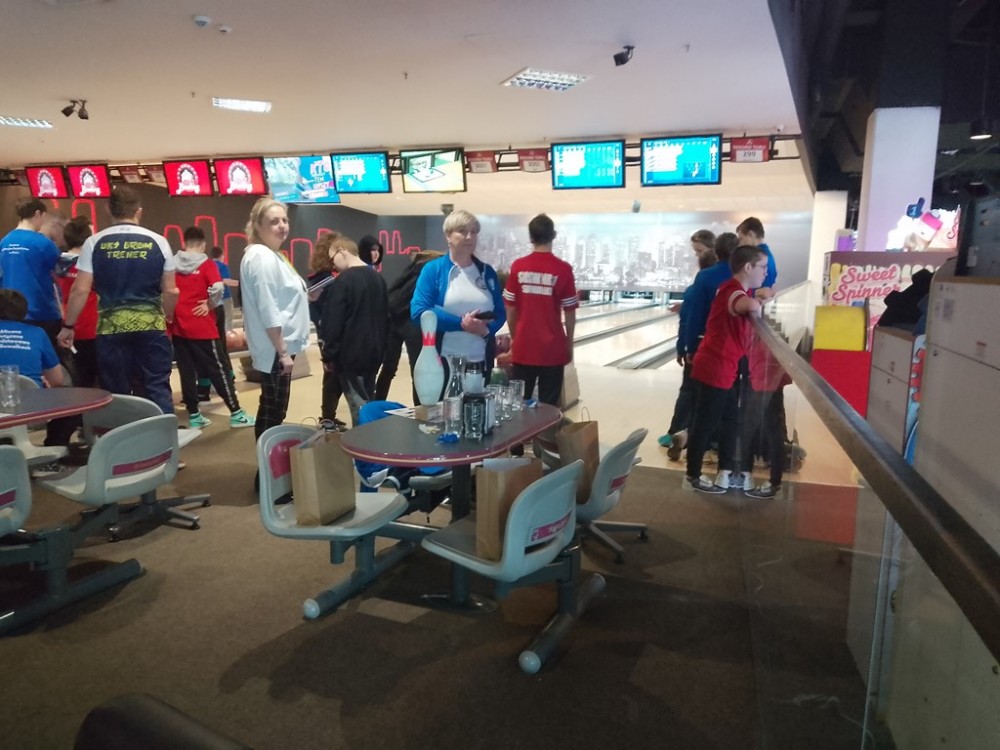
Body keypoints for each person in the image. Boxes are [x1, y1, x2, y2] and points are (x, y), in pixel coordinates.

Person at [58, 186, 179, 415]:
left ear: (108, 209)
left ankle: (122, 435)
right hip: (151, 327)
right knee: (156, 387)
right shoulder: (159, 241)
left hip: (110, 330)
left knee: (116, 391)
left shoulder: (94, 243)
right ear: (138, 211)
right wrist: (166, 314)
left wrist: (68, 326)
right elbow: (171, 291)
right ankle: (162, 435)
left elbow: (80, 291)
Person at [682, 245, 766, 495]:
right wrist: (759, 300)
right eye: (762, 267)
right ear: (748, 267)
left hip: (723, 366)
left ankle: (726, 470)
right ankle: (693, 475)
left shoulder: (733, 288)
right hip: (715, 367)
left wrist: (760, 297)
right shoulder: (733, 292)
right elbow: (746, 305)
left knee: (731, 418)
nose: (765, 272)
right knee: (705, 423)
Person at [239, 196, 309, 446]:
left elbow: (281, 296)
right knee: (273, 409)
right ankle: (267, 463)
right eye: (274, 221)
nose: (282, 226)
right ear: (258, 225)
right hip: (275, 347)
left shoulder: (272, 255)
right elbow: (268, 307)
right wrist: (282, 352)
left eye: (285, 220)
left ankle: (267, 462)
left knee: (273, 406)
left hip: (278, 345)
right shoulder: (262, 257)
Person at [410, 209, 506, 392]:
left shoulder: (487, 272)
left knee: (478, 408)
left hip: (481, 362)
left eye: (473, 232)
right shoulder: (433, 270)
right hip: (443, 363)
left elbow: (500, 313)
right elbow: (419, 311)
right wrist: (462, 324)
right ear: (448, 236)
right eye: (462, 231)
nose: (469, 237)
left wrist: (485, 330)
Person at [170, 226, 254, 430]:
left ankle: (194, 415)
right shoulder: (207, 264)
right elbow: (217, 287)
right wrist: (209, 304)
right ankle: (236, 413)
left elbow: (166, 290)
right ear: (203, 244)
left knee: (187, 371)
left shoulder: (172, 264)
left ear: (184, 243)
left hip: (178, 327)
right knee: (219, 369)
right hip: (202, 327)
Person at [666, 232, 738, 460]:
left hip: (703, 346)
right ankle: (713, 447)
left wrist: (687, 347)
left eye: (698, 251)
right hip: (732, 351)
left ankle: (685, 436)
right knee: (723, 402)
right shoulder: (740, 278)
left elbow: (693, 317)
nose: (696, 256)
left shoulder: (704, 278)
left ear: (714, 250)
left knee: (697, 396)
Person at [502, 213, 578, 406]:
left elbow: (510, 309)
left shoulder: (518, 266)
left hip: (523, 348)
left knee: (518, 406)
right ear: (554, 235)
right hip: (553, 350)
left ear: (530, 237)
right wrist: (569, 344)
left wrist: (515, 339)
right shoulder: (563, 269)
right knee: (549, 409)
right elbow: (570, 312)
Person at [319, 235, 389, 426]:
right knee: (368, 401)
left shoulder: (343, 281)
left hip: (351, 355)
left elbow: (334, 322)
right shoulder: (378, 279)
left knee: (359, 407)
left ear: (342, 251)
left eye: (333, 259)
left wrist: (328, 355)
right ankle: (370, 438)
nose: (333, 265)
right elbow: (386, 318)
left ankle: (364, 443)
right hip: (374, 353)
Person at [0, 289, 77, 446]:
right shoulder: (37, 333)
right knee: (72, 402)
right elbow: (57, 381)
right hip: (31, 412)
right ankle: (55, 447)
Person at [659, 241, 718, 447]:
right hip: (716, 350)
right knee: (711, 396)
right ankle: (708, 439)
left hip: (696, 347)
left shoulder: (694, 290)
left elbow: (687, 322)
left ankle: (676, 431)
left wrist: (684, 348)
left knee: (688, 391)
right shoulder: (725, 288)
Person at [374, 250, 443, 402]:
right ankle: (419, 409)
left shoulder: (409, 272)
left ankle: (377, 403)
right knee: (417, 371)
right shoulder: (429, 273)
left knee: (388, 369)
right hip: (412, 323)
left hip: (394, 320)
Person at [0, 198, 64, 353]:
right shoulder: (43, 243)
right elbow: (61, 271)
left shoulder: (4, 242)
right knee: (45, 358)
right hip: (41, 312)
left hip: (10, 313)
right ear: (38, 214)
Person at [739, 332, 792, 499]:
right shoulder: (768, 332)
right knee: (770, 429)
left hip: (762, 377)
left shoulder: (754, 327)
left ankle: (764, 479)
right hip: (770, 375)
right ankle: (767, 478)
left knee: (758, 429)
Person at [55, 216, 100, 388]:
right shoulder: (92, 266)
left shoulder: (55, 265)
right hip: (92, 330)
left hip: (64, 330)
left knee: (77, 382)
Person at [307, 231, 346, 429]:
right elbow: (313, 307)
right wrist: (324, 323)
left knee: (334, 376)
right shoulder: (324, 279)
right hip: (328, 335)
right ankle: (327, 418)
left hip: (334, 332)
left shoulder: (334, 277)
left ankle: (328, 417)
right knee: (332, 375)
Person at [735, 216, 777, 295]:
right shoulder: (767, 255)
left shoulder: (758, 258)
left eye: (741, 239)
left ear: (751, 234)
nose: (740, 244)